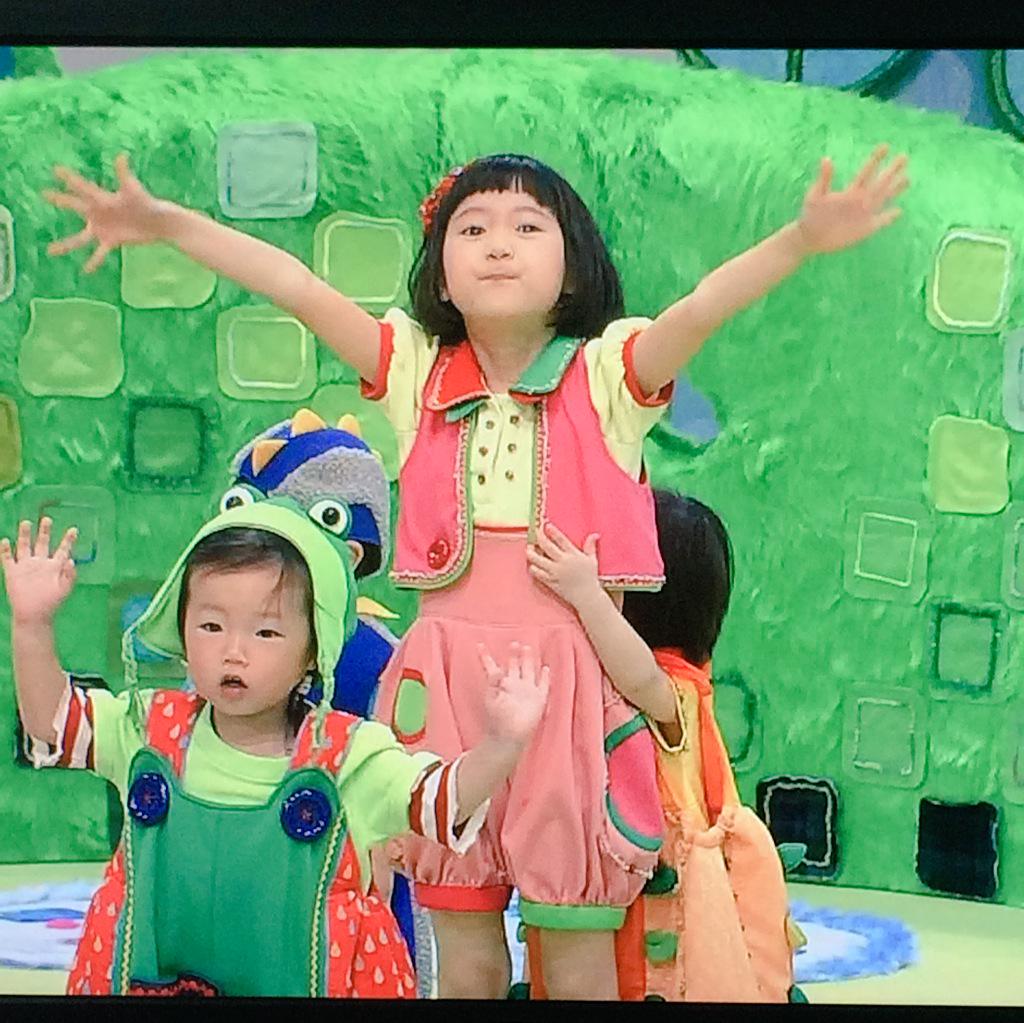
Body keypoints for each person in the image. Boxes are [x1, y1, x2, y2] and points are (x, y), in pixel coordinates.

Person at [43, 144, 907, 999]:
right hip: (445, 686)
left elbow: (701, 308)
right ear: (443, 273)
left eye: (527, 226)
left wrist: (798, 238)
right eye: (473, 227)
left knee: (577, 954)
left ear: (573, 267)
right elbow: (297, 287)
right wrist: (170, 222)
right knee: (466, 960)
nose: (498, 243)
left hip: (567, 690)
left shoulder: (607, 377)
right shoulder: (415, 373)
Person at [1, 505, 549, 997]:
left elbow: (442, 800)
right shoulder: (146, 730)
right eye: (211, 626)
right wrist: (31, 625)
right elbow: (55, 724)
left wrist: (503, 744)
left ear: (314, 651)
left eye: (265, 633)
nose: (233, 652)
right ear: (182, 631)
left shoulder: (346, 757)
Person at [523, 493, 801, 1001]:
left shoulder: (678, 688)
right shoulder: (604, 673)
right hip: (598, 887)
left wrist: (587, 597)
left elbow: (641, 680)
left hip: (654, 911)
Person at [223, 406, 428, 987]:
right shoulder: (227, 648)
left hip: (353, 876)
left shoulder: (376, 656)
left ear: (351, 551)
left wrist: (389, 842)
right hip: (243, 861)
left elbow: (406, 763)